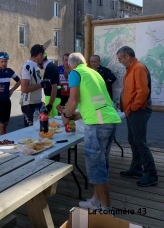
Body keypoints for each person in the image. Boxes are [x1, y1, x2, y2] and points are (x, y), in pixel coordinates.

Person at [62, 52, 121, 211]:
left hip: (97, 125)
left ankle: (107, 210)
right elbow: (98, 100)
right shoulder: (93, 72)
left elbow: (73, 99)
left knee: (96, 167)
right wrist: (79, 115)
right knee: (101, 163)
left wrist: (67, 116)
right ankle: (96, 200)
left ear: (70, 65)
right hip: (109, 121)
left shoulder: (75, 73)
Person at [116, 46, 158, 187]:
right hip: (132, 111)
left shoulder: (138, 68)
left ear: (127, 56)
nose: (120, 61)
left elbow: (142, 92)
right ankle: (136, 168)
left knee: (139, 141)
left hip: (138, 110)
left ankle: (151, 174)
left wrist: (133, 107)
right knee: (133, 140)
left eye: (120, 58)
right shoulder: (131, 68)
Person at [20, 44, 51, 127]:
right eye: (43, 55)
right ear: (40, 55)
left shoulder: (36, 67)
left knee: (39, 128)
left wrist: (44, 83)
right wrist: (41, 84)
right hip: (29, 104)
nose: (43, 58)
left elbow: (37, 84)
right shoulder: (27, 67)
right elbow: (24, 89)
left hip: (37, 103)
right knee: (30, 131)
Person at [39, 53, 62, 118]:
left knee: (52, 121)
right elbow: (57, 81)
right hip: (54, 97)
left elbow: (54, 87)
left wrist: (50, 105)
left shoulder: (49, 68)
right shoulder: (53, 65)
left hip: (52, 98)